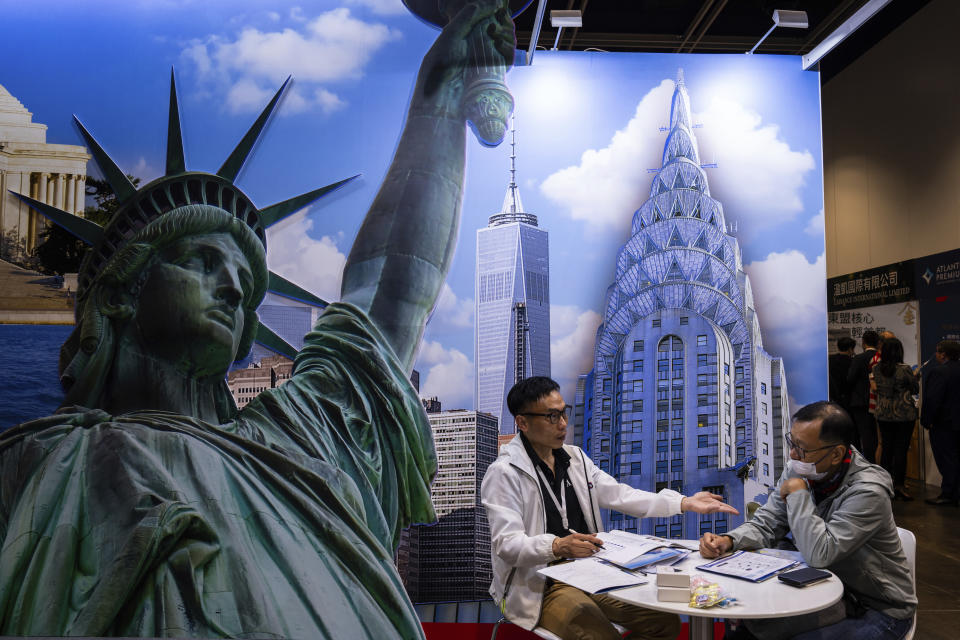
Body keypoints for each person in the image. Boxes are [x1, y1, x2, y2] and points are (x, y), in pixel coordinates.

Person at [0, 3, 515, 638]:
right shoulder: (34, 466)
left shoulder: (296, 442)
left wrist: (439, 99)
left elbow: (392, 291)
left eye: (245, 284)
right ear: (119, 296)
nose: (231, 288)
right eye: (200, 261)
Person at [482, 376, 738, 640]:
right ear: (522, 422)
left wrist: (683, 503)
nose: (562, 424)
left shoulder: (575, 459)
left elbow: (621, 495)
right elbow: (507, 545)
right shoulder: (504, 473)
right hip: (543, 585)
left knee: (665, 623)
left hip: (590, 573)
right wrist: (557, 546)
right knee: (599, 635)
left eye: (563, 413)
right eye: (551, 416)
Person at [699, 402, 916, 640]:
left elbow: (820, 554)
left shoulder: (868, 491)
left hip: (877, 606)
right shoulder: (801, 469)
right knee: (748, 629)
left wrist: (799, 494)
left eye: (802, 449)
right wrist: (729, 540)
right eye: (792, 443)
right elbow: (768, 522)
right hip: (823, 589)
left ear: (836, 454)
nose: (793, 455)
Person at [870, 337, 919, 500]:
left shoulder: (876, 368)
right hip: (904, 414)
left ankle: (885, 484)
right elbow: (914, 388)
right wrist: (915, 376)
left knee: (886, 448)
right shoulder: (904, 369)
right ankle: (899, 485)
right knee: (901, 450)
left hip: (883, 413)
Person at [922, 340, 960, 505]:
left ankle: (948, 494)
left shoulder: (939, 372)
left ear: (943, 354)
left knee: (946, 459)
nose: (936, 355)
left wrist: (926, 421)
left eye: (937, 352)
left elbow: (932, 399)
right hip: (956, 422)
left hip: (943, 424)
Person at [847, 330, 880, 461]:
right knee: (878, 436)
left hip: (860, 402)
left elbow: (850, 379)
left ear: (863, 343)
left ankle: (868, 464)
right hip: (878, 401)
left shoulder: (858, 359)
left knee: (865, 434)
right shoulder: (880, 357)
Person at [828, 335, 856, 412]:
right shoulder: (853, 362)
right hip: (848, 399)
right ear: (850, 349)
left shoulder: (829, 360)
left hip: (832, 398)